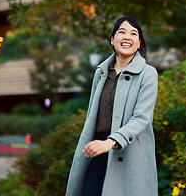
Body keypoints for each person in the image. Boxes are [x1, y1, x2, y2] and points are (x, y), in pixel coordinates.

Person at [66, 16, 159, 196]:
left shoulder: (148, 74)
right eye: (121, 32)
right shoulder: (100, 72)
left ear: (139, 43)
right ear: (112, 39)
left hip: (130, 155)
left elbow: (141, 119)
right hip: (98, 150)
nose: (127, 37)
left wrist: (111, 142)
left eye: (133, 34)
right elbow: (93, 115)